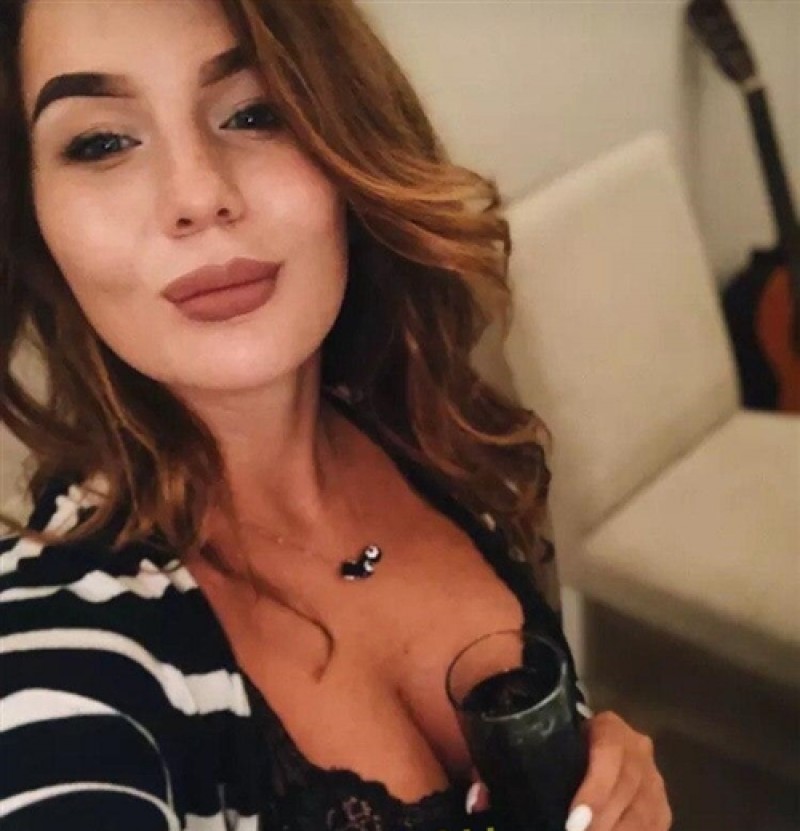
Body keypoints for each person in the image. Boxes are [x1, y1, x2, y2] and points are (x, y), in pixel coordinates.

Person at [0, 1, 672, 829]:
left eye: (257, 113)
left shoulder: (441, 436)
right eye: (102, 142)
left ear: (350, 140)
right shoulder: (53, 646)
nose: (199, 194)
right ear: (33, 217)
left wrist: (607, 777)